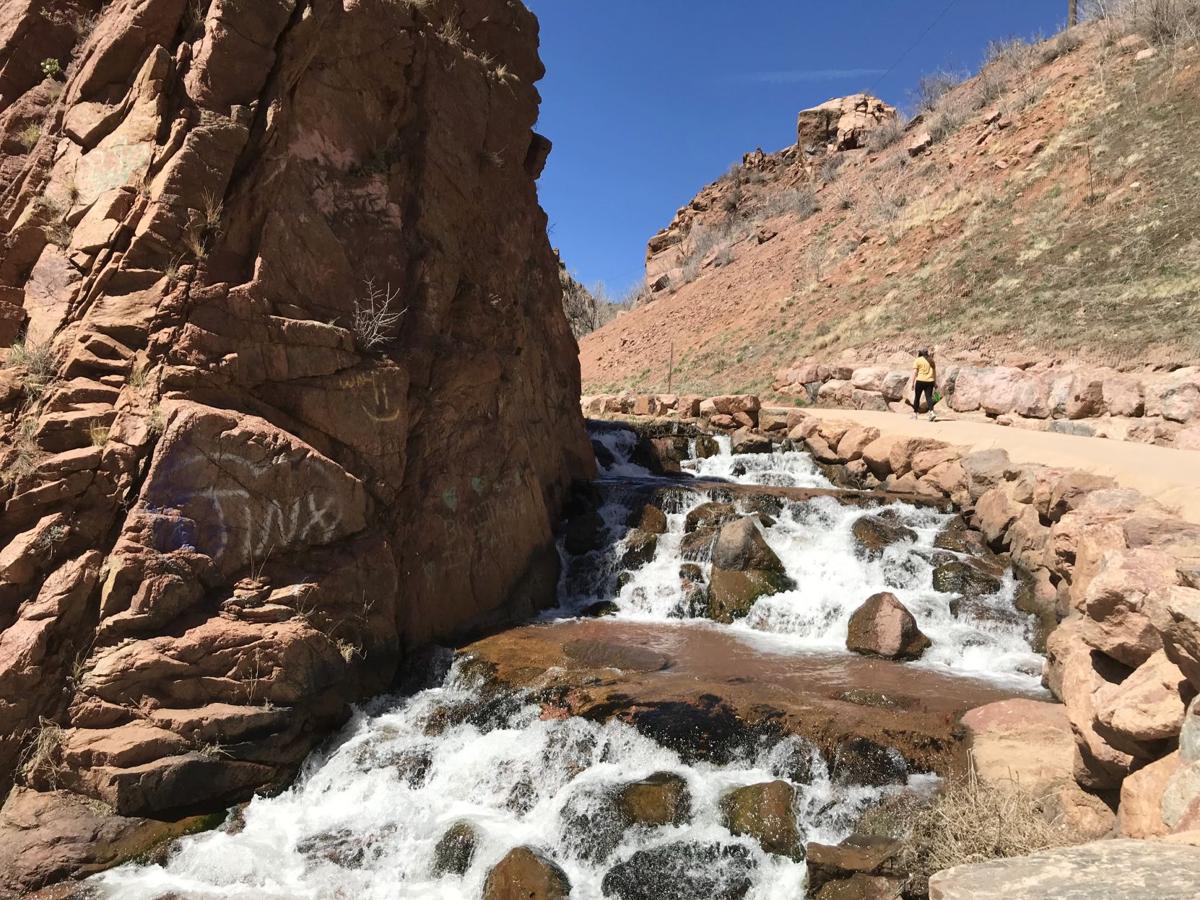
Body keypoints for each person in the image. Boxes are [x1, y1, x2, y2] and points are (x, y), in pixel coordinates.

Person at [911, 349, 938, 420]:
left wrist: (912, 383)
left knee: (917, 397)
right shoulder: (932, 360)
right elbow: (934, 373)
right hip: (930, 381)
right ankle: (931, 412)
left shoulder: (918, 360)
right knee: (929, 398)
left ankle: (915, 414)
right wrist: (935, 382)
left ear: (920, 353)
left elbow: (915, 373)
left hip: (920, 381)